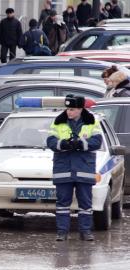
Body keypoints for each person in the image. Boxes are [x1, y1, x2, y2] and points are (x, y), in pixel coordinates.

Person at [46, 95, 102, 242]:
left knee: (85, 204)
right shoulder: (58, 122)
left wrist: (80, 143)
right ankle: (62, 232)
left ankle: (85, 232)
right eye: (67, 109)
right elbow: (50, 141)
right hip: (63, 168)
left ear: (80, 109)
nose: (69, 112)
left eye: (72, 109)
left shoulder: (92, 122)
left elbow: (97, 142)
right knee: (62, 204)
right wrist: (63, 144)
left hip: (84, 168)